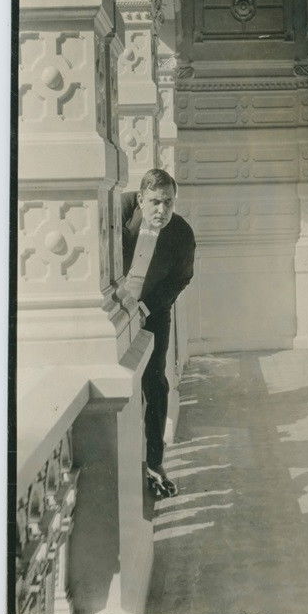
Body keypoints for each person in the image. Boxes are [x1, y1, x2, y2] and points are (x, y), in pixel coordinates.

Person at [122, 168, 196, 498]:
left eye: (168, 202)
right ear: (140, 199)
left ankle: (154, 463)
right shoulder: (118, 211)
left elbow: (181, 279)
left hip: (153, 310)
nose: (162, 210)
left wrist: (146, 309)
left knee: (155, 383)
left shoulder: (182, 233)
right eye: (155, 201)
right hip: (113, 310)